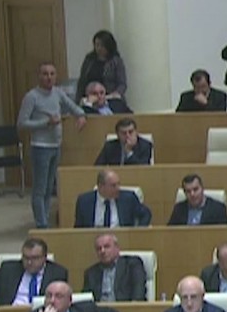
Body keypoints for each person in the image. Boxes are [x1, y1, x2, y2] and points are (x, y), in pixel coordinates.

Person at [18, 62, 87, 228]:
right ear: (39, 76)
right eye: (45, 74)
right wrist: (46, 122)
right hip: (40, 147)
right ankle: (41, 225)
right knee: (40, 189)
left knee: (50, 188)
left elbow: (73, 107)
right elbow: (22, 123)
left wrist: (81, 115)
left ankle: (45, 219)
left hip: (56, 145)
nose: (49, 77)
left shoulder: (58, 93)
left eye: (52, 74)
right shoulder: (32, 96)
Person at [0, 237, 69, 306]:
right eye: (26, 258)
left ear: (45, 257)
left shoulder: (57, 273)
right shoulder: (7, 270)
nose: (29, 262)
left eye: (35, 258)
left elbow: (62, 302)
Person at [74, 169, 152, 228]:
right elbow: (78, 228)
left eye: (118, 184)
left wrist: (137, 231)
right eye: (113, 185)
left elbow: (146, 214)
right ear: (101, 186)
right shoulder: (84, 201)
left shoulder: (128, 198)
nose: (118, 188)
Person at [81, 233, 147, 303]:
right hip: (99, 309)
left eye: (106, 247)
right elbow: (85, 300)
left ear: (117, 248)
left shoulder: (132, 264)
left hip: (124, 307)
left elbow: (139, 292)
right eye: (99, 249)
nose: (102, 251)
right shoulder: (91, 273)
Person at [76, 30, 128, 104]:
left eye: (102, 46)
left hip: (110, 98)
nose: (99, 48)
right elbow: (82, 81)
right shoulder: (89, 59)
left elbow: (122, 84)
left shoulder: (116, 61)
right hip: (90, 99)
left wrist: (115, 94)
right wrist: (78, 99)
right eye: (97, 45)